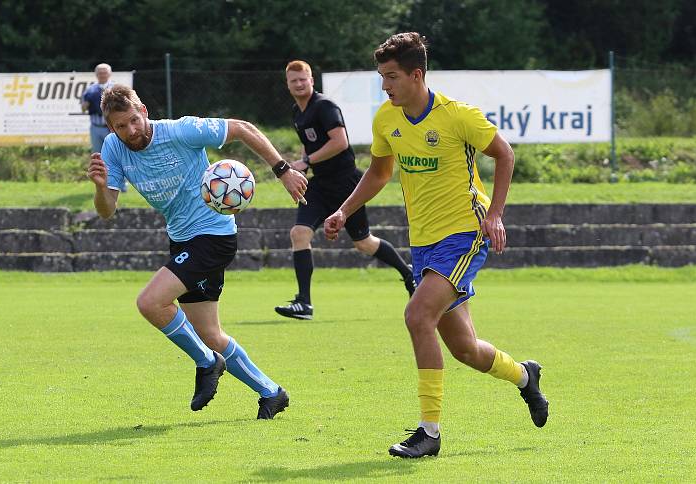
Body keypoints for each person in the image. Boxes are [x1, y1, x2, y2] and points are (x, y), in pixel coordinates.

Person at [324, 33, 549, 458]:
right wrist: (344, 210)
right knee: (465, 349)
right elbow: (378, 173)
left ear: (416, 74)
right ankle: (524, 375)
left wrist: (496, 214)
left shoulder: (457, 115)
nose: (384, 86)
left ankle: (429, 433)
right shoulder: (385, 120)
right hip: (423, 244)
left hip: (465, 233)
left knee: (416, 315)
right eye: (380, 77)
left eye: (391, 77)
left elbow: (505, 155)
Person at [86, 84, 308, 419]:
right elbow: (107, 210)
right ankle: (271, 393)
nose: (130, 130)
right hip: (182, 240)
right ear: (111, 127)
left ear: (143, 111)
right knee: (209, 334)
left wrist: (283, 170)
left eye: (133, 120)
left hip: (213, 237)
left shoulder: (180, 131)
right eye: (120, 126)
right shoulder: (113, 149)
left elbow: (243, 128)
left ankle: (206, 363)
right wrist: (101, 188)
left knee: (150, 302)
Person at [274, 60, 415, 320]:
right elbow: (309, 144)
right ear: (288, 84)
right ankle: (304, 303)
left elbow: (340, 142)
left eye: (303, 79)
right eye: (293, 80)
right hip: (320, 184)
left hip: (345, 183)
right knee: (299, 233)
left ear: (311, 80)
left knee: (363, 243)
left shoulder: (324, 106)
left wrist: (306, 161)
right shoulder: (297, 111)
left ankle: (409, 276)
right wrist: (303, 165)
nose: (299, 84)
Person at [81, 63, 127, 191]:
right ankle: (103, 185)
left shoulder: (116, 89)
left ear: (109, 74)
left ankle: (121, 185)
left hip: (113, 128)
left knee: (117, 155)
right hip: (96, 127)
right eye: (100, 72)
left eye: (104, 72)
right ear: (96, 74)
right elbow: (83, 108)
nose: (102, 75)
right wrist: (87, 103)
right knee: (99, 158)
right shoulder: (90, 90)